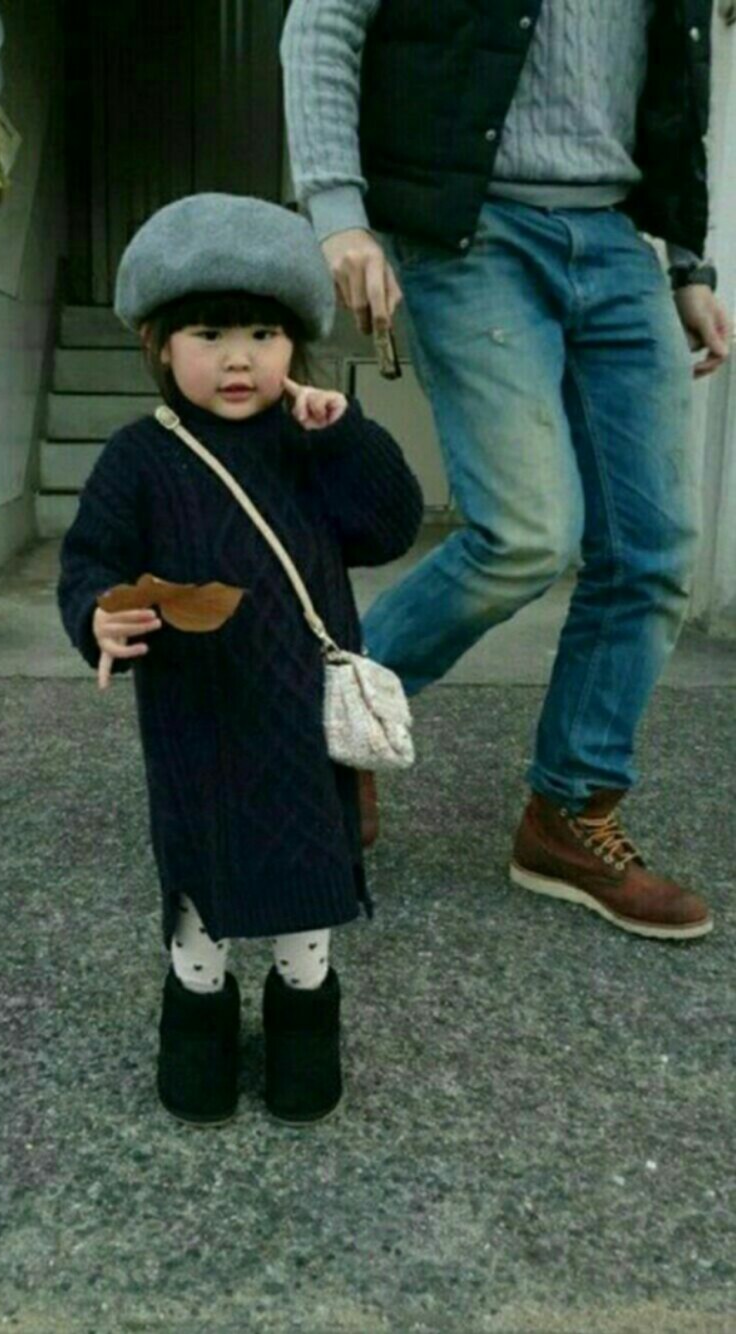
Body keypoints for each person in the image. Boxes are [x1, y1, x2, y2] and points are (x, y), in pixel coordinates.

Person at [281, 0, 730, 941]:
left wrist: (688, 261)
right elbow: (323, 22)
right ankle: (325, 719)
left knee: (652, 554)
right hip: (471, 227)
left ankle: (569, 812)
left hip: (618, 239)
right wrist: (339, 214)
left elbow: (680, 74)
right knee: (525, 534)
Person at [57, 194, 424, 1125]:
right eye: (209, 334)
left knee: (308, 894)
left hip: (305, 725)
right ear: (157, 343)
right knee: (200, 894)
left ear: (295, 344)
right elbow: (90, 560)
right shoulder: (140, 457)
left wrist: (346, 433)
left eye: (264, 334)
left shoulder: (311, 443)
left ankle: (305, 1043)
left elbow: (389, 526)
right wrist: (98, 618)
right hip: (195, 724)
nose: (238, 359)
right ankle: (198, 1036)